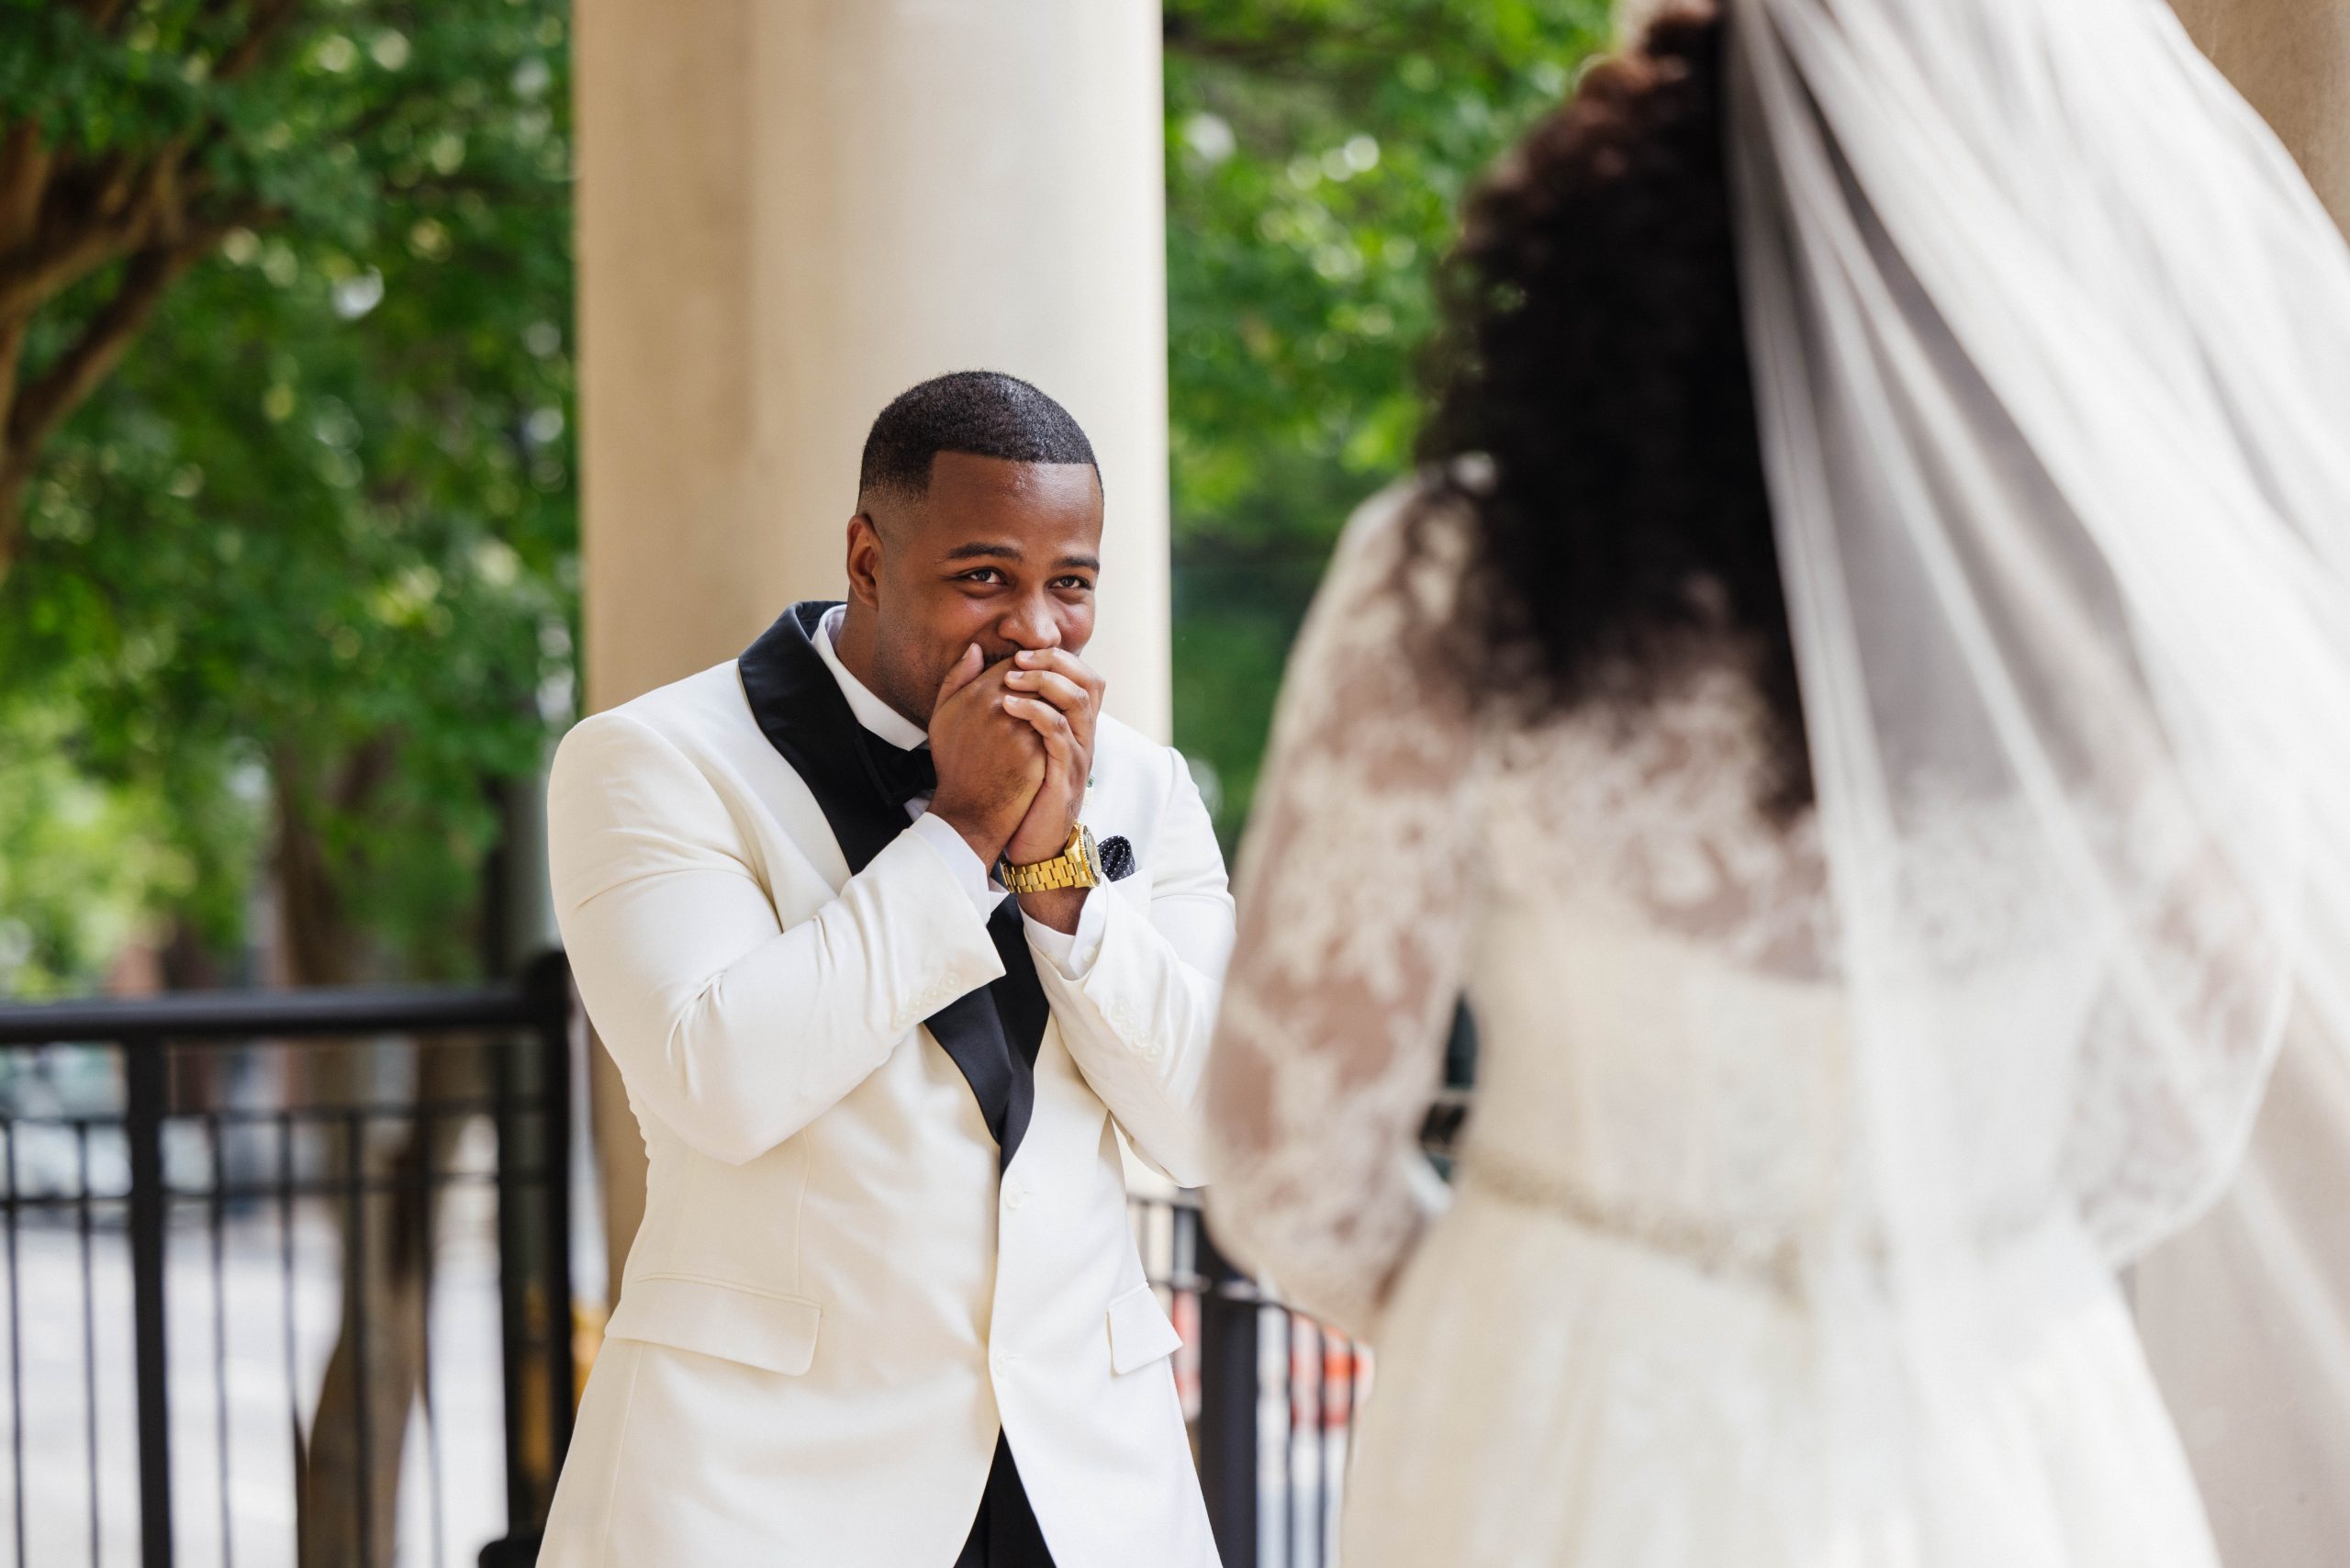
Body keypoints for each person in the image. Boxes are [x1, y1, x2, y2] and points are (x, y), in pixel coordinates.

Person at [1205, 0, 2350, 1563]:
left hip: (1562, 1423)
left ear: (1628, 226)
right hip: (1995, 1427)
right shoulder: (2157, 621)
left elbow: (1294, 1164)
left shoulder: (1458, 578)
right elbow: (2166, 1128)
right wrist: (1941, 1262)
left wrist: (1535, 1312)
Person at [537, 371, 1232, 1567]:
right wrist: (961, 834)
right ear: (868, 559)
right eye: (984, 578)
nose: (1035, 630)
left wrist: (1058, 877)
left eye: (1071, 586)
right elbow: (721, 1084)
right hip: (764, 1496)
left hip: (1087, 1490)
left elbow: (1218, 1128)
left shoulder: (1145, 785)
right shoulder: (652, 762)